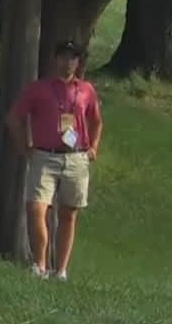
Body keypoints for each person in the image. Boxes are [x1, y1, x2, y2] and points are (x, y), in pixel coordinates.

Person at [7, 39, 103, 282]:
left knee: (69, 214)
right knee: (36, 207)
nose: (67, 62)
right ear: (55, 59)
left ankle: (60, 270)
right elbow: (14, 118)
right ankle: (39, 265)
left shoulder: (86, 90)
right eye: (63, 56)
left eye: (72, 57)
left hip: (75, 157)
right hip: (44, 155)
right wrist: (24, 148)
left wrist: (93, 147)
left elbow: (96, 120)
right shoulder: (38, 88)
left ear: (78, 62)